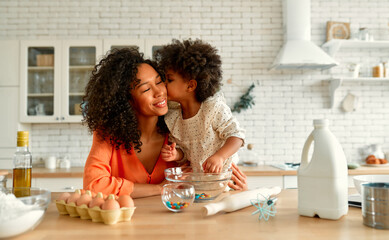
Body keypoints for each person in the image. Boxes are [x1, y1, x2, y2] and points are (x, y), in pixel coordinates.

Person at [82, 47, 247, 198]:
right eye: (146, 89)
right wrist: (160, 188)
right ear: (126, 101)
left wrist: (240, 189)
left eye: (160, 81)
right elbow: (94, 186)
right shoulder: (107, 135)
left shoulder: (178, 130)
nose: (160, 92)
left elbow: (206, 181)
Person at [156, 39, 245, 173]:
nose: (164, 84)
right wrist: (176, 154)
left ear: (190, 85)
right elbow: (185, 153)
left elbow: (237, 136)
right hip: (200, 182)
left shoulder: (213, 109)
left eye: (170, 79)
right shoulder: (174, 117)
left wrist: (220, 157)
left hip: (225, 179)